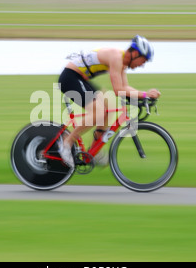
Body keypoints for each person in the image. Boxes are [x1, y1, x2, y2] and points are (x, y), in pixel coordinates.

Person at [58, 35, 160, 168]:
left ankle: (94, 151)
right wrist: (145, 94)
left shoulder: (122, 63)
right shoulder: (116, 57)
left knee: (108, 108)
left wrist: (144, 95)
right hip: (70, 77)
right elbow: (118, 90)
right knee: (98, 112)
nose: (142, 65)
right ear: (135, 53)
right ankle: (67, 143)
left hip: (80, 79)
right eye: (143, 60)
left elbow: (126, 87)